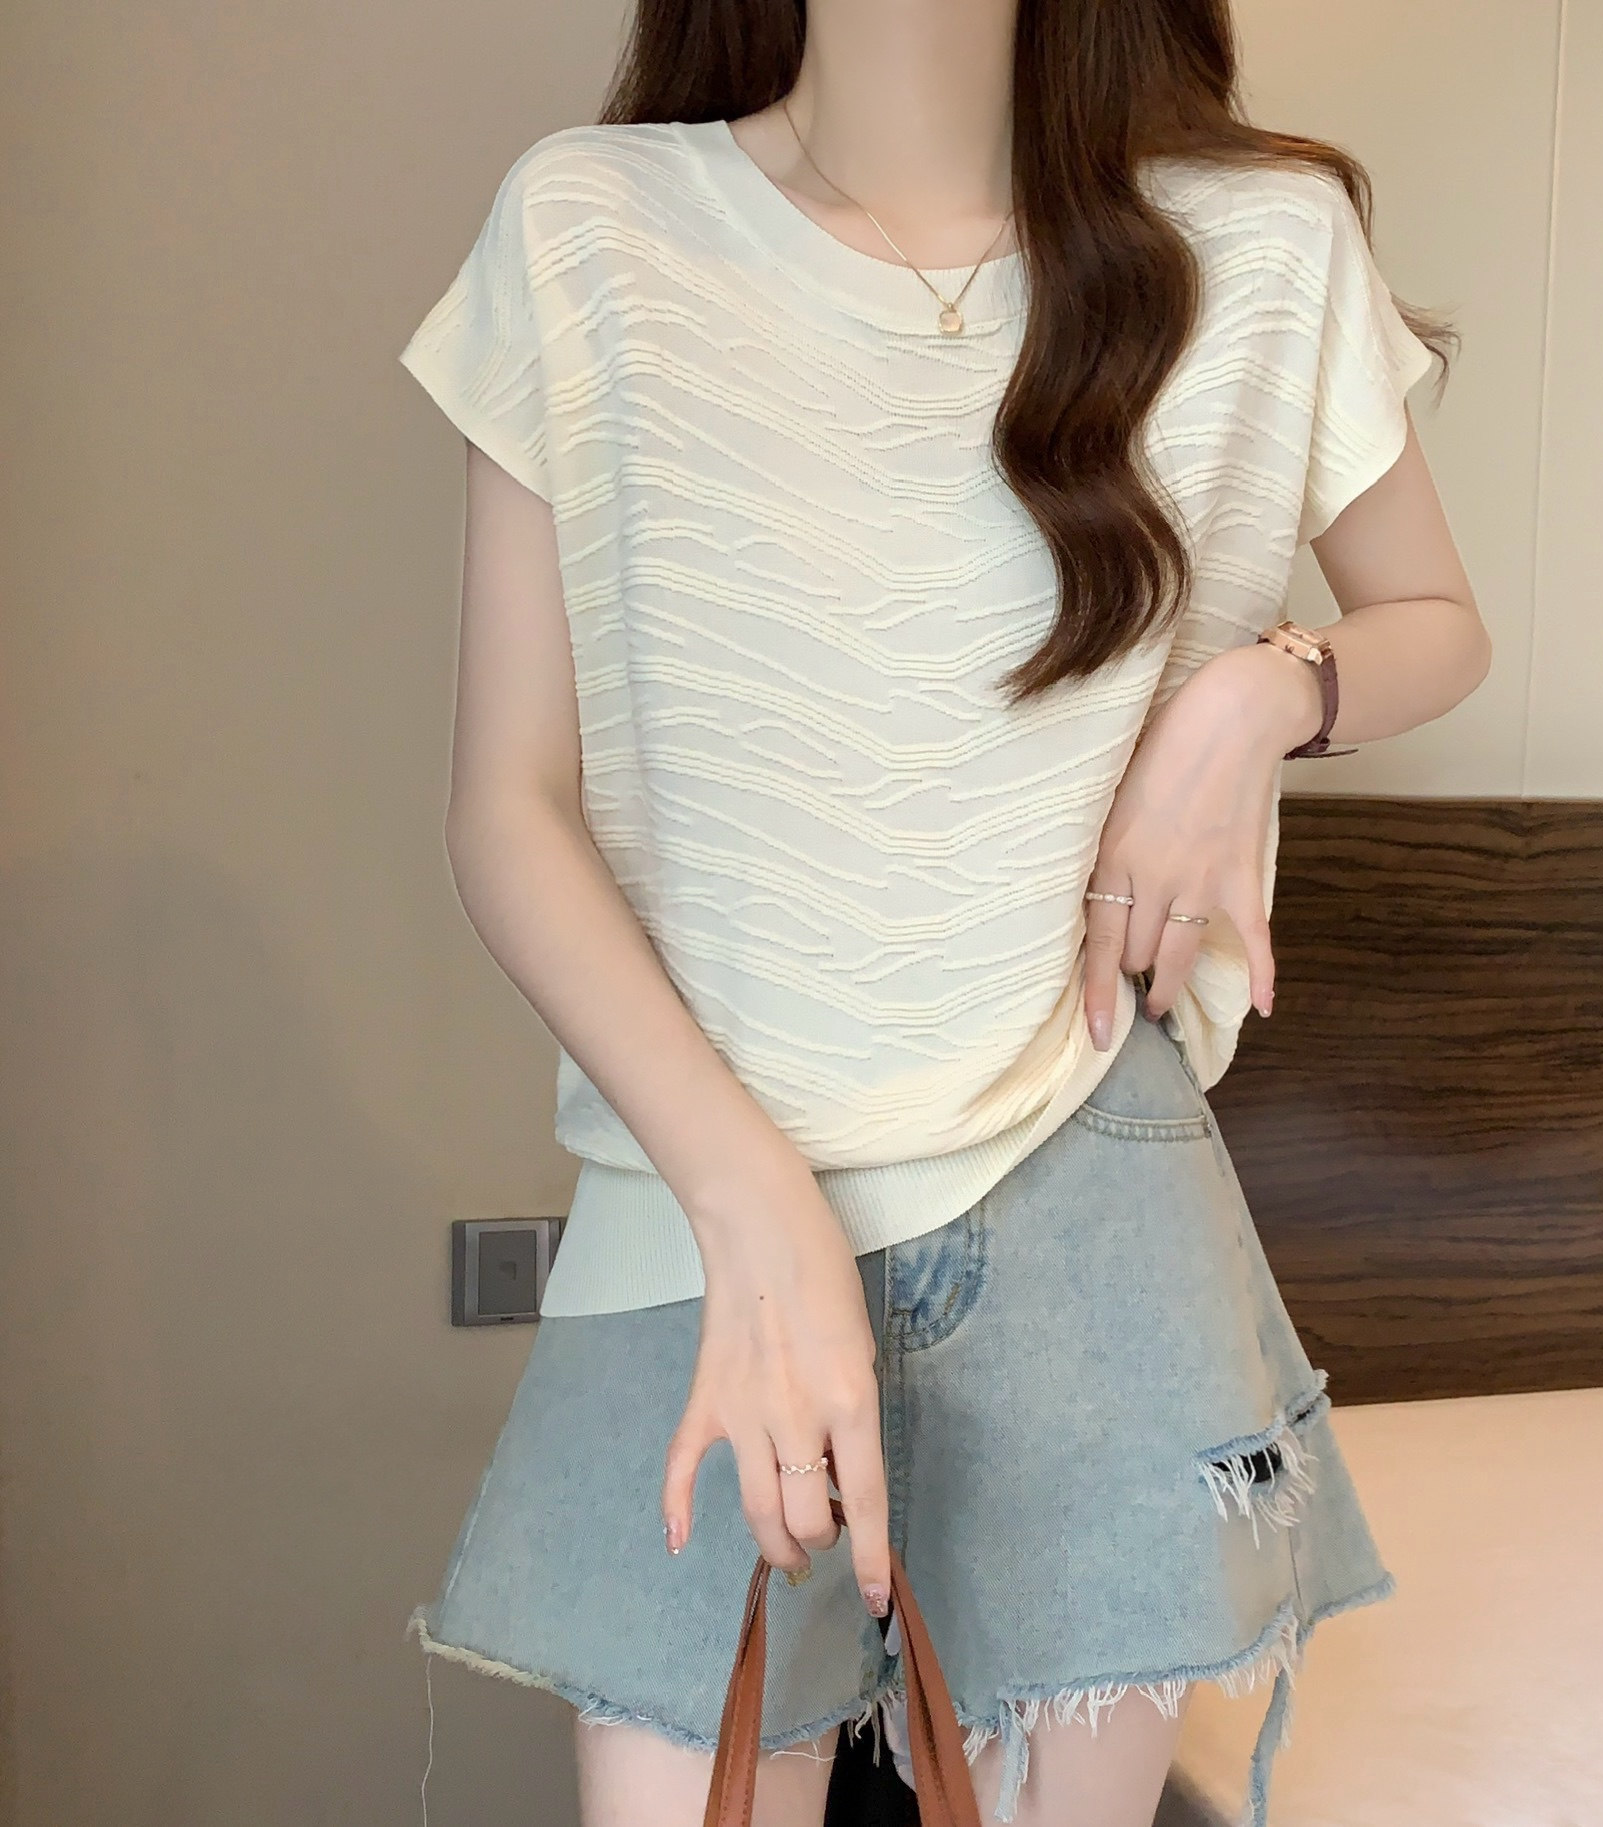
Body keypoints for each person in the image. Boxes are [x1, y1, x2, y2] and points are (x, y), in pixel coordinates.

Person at [397, 3, 1490, 1823]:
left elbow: (1435, 624)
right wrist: (751, 1201)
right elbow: (508, 809)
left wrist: (1258, 696)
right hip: (705, 1205)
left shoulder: (1259, 245)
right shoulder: (591, 227)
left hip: (1089, 1180)